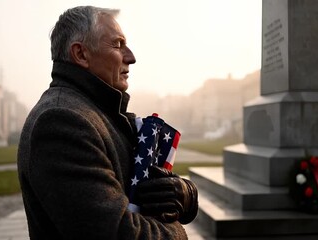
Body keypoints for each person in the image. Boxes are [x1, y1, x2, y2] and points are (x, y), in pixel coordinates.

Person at [17, 6, 198, 240]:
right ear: (81, 54)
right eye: (118, 44)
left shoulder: (97, 111)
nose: (131, 57)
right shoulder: (62, 121)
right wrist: (175, 230)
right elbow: (120, 234)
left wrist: (186, 196)